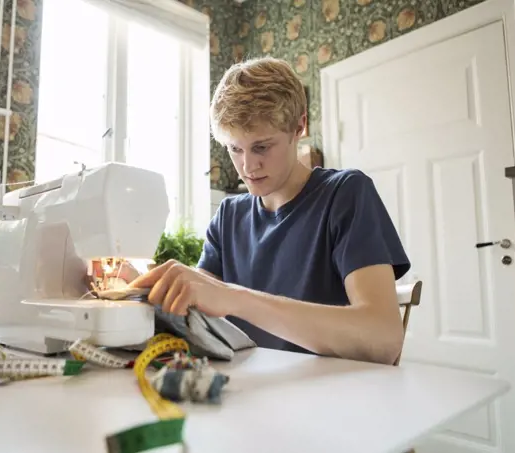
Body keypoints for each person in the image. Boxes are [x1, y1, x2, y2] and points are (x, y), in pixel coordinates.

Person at [114, 57, 411, 365]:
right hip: (246, 393)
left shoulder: (345, 194)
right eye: (234, 149)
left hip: (330, 398)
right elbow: (197, 315)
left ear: (300, 127)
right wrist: (143, 292)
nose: (247, 166)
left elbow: (384, 339)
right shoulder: (229, 216)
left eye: (262, 147)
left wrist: (236, 298)